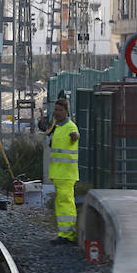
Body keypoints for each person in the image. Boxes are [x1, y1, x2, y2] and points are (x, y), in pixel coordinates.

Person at [48, 98, 79, 245]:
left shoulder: (70, 126)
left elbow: (75, 135)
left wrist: (75, 136)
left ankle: (69, 235)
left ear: (67, 111)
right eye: (55, 110)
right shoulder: (57, 127)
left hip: (66, 174)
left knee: (66, 203)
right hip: (58, 174)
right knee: (61, 203)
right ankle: (63, 233)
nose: (57, 112)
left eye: (60, 110)